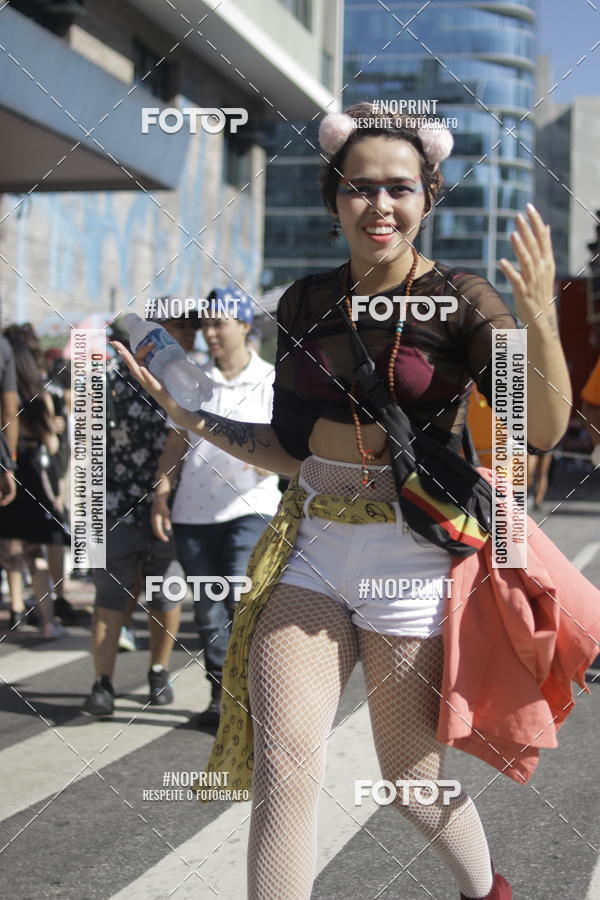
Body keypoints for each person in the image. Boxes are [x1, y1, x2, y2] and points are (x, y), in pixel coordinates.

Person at [113, 103, 577, 899]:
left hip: (414, 562)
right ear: (334, 200)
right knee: (286, 769)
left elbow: (542, 427)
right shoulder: (301, 304)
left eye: (400, 187)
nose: (380, 205)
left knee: (407, 781)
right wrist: (192, 418)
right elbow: (288, 451)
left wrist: (537, 320)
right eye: (360, 188)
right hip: (315, 552)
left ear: (428, 196)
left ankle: (487, 893)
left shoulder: (464, 300)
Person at [152, 287, 280, 725]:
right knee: (208, 610)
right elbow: (175, 444)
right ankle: (220, 696)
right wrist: (161, 494)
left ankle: (249, 698)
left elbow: (286, 441)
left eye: (219, 323)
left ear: (245, 326)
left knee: (239, 600)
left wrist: (270, 468)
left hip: (251, 508)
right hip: (193, 513)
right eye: (205, 324)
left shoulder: (270, 379)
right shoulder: (190, 379)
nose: (209, 332)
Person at [81, 310, 197, 717]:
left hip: (170, 506)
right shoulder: (110, 382)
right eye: (177, 330)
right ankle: (103, 683)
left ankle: (158, 670)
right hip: (116, 507)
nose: (187, 338)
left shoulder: (190, 382)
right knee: (111, 594)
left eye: (189, 331)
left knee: (165, 592)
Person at [0, 333, 67, 637]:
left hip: (8, 471)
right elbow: (53, 446)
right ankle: (48, 621)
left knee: (10, 550)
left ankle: (15, 609)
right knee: (34, 553)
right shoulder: (43, 397)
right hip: (31, 476)